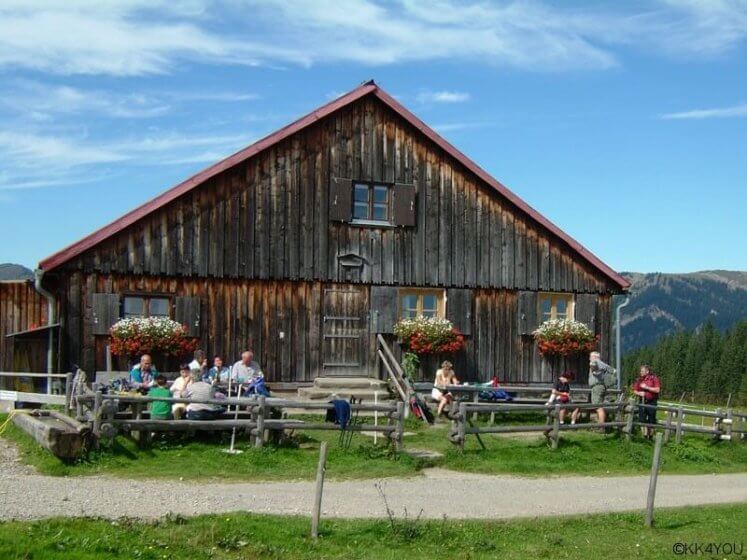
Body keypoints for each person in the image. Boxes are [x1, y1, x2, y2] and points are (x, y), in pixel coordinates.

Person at [632, 364, 661, 439]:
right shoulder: (639, 379)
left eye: (642, 371)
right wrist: (639, 393)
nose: (640, 372)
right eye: (640, 371)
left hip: (652, 401)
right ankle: (644, 436)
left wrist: (647, 387)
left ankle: (650, 436)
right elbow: (634, 390)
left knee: (651, 419)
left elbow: (657, 390)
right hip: (642, 401)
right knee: (642, 419)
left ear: (647, 371)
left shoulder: (654, 378)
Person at [588, 351, 615, 425]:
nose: (589, 358)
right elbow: (613, 371)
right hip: (601, 386)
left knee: (598, 407)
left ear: (595, 357)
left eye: (590, 357)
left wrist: (594, 370)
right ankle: (600, 424)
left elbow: (593, 366)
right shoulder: (603, 364)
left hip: (597, 386)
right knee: (599, 405)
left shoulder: (595, 362)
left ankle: (601, 426)